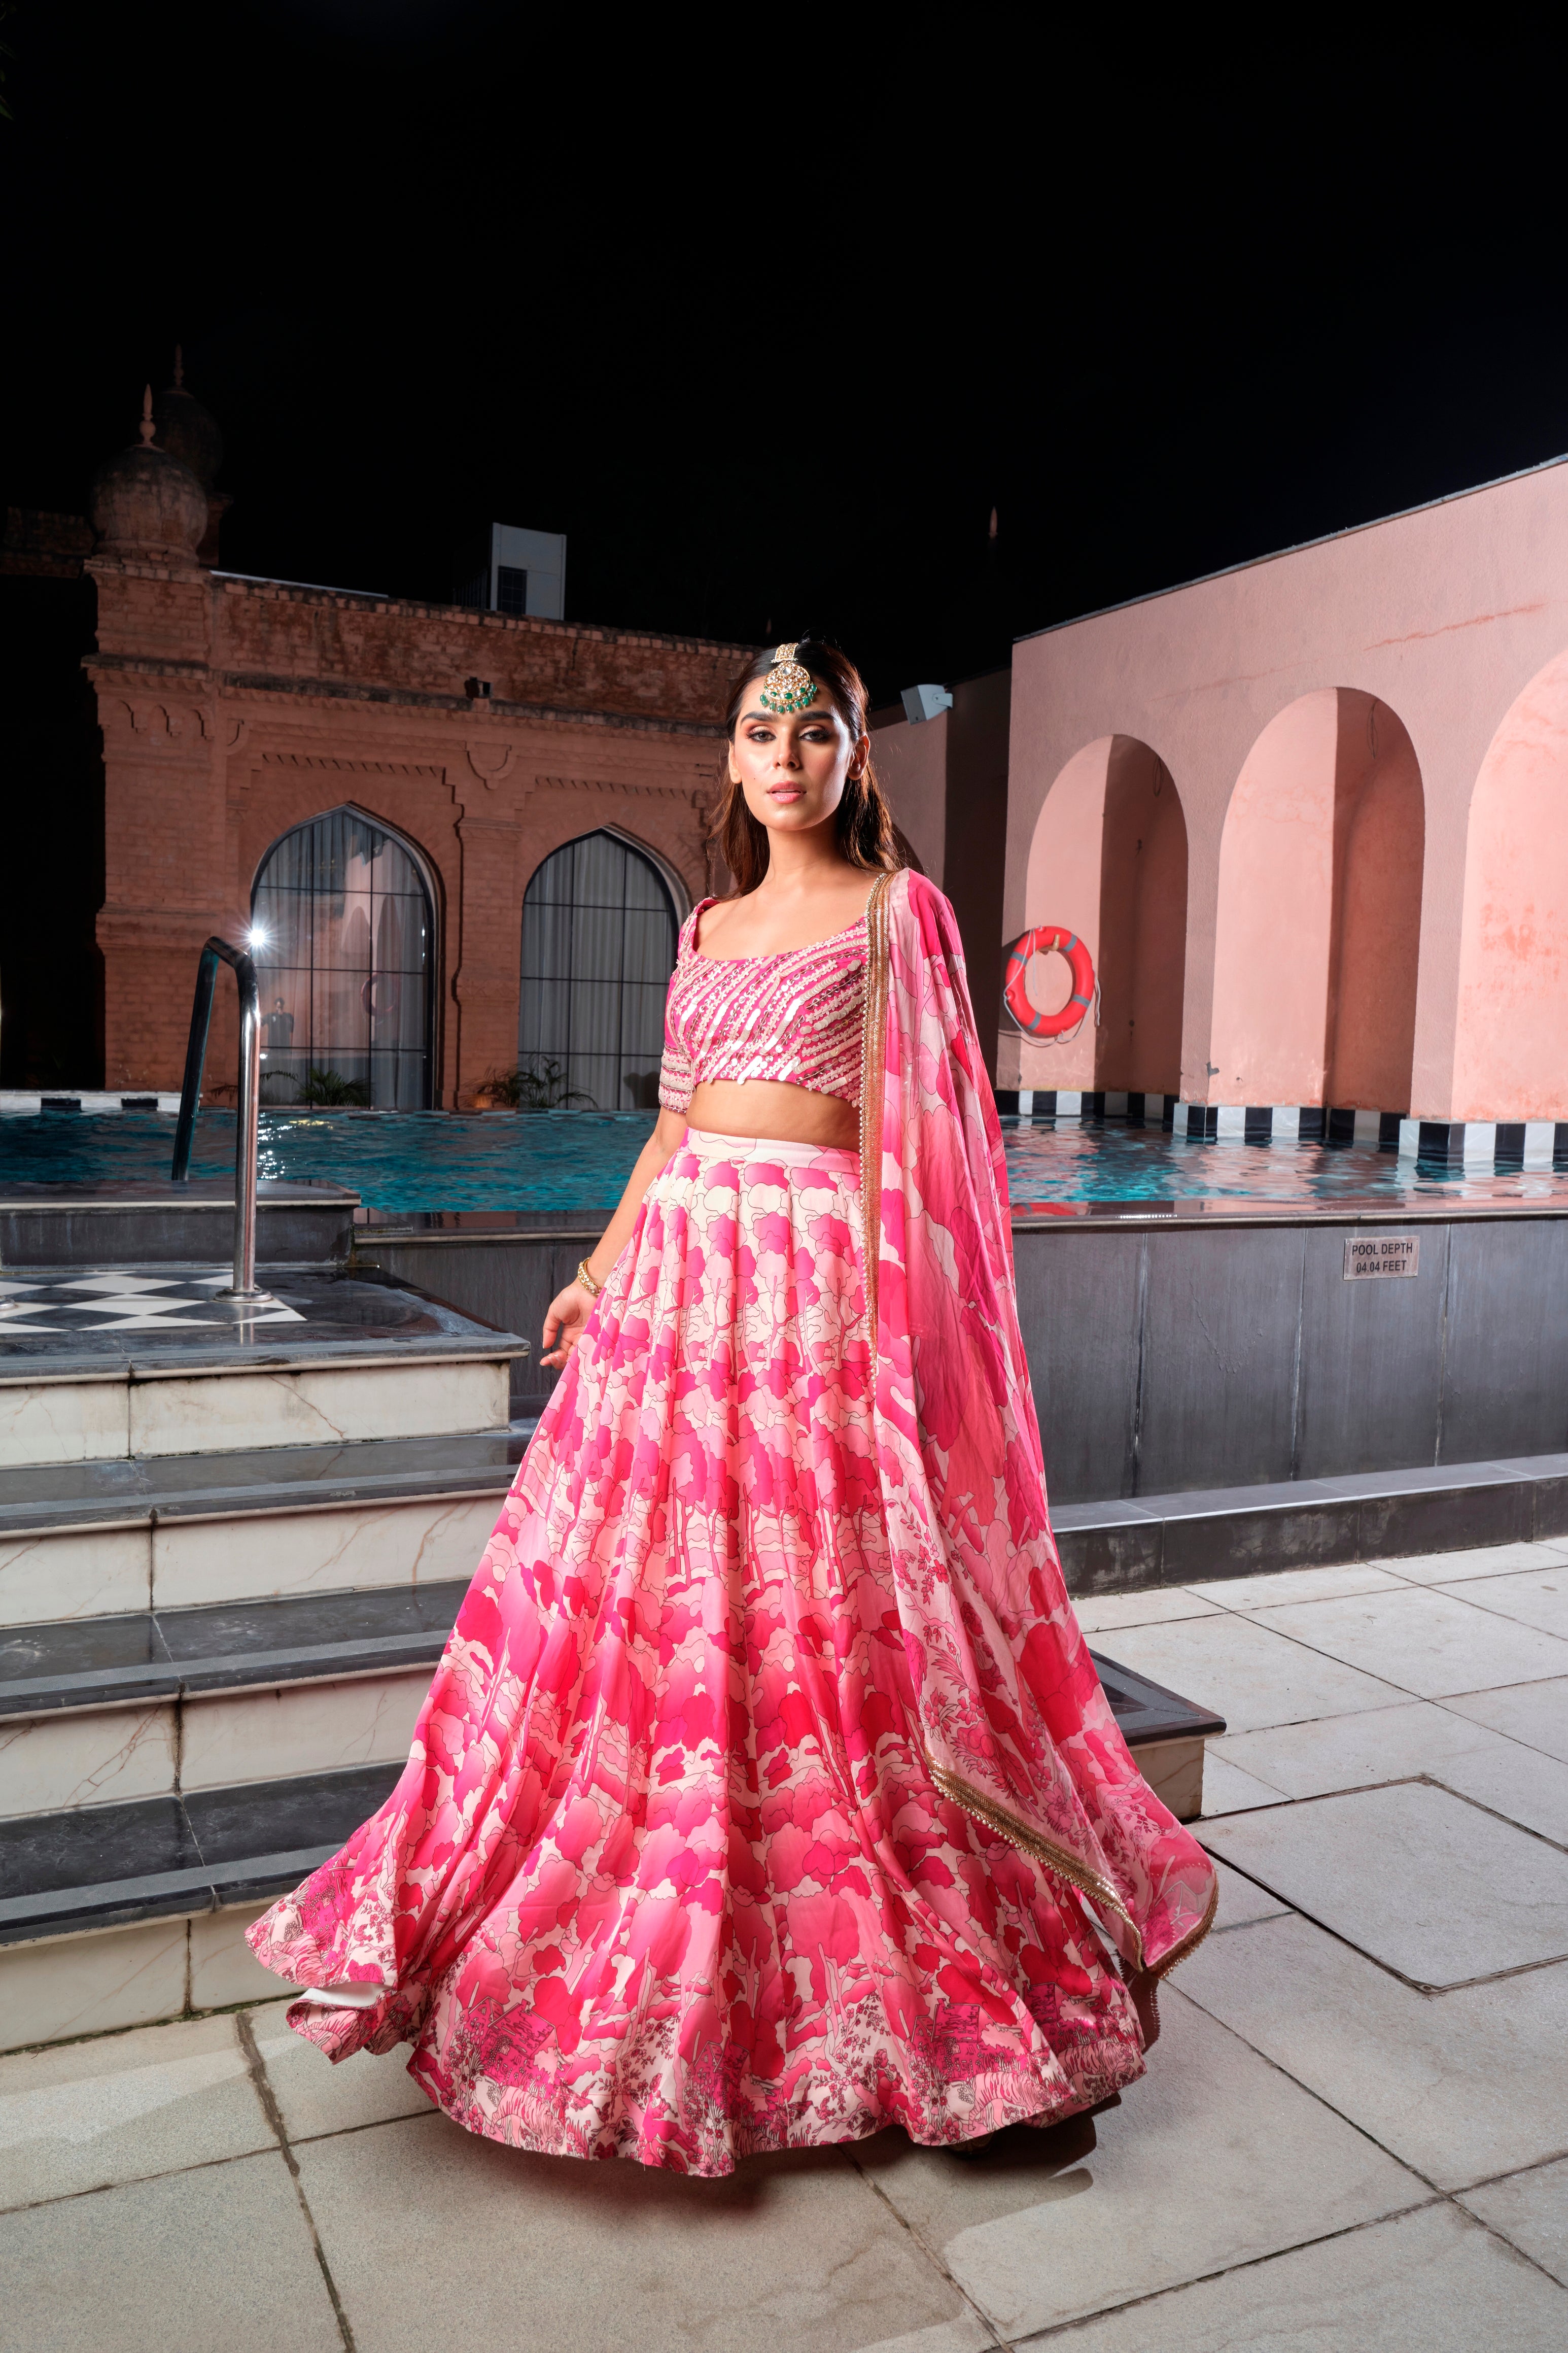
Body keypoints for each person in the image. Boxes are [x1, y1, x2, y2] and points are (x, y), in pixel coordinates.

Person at [248, 638, 1216, 2175]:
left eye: (813, 728)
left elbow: (941, 1146)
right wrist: (595, 1269)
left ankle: (941, 2007)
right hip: (682, 1296)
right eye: (759, 729)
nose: (783, 752)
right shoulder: (704, 925)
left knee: (840, 1626)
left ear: (852, 757)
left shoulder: (902, 914)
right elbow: (672, 1132)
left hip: (822, 1297)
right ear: (730, 760)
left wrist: (907, 1336)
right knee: (653, 1629)